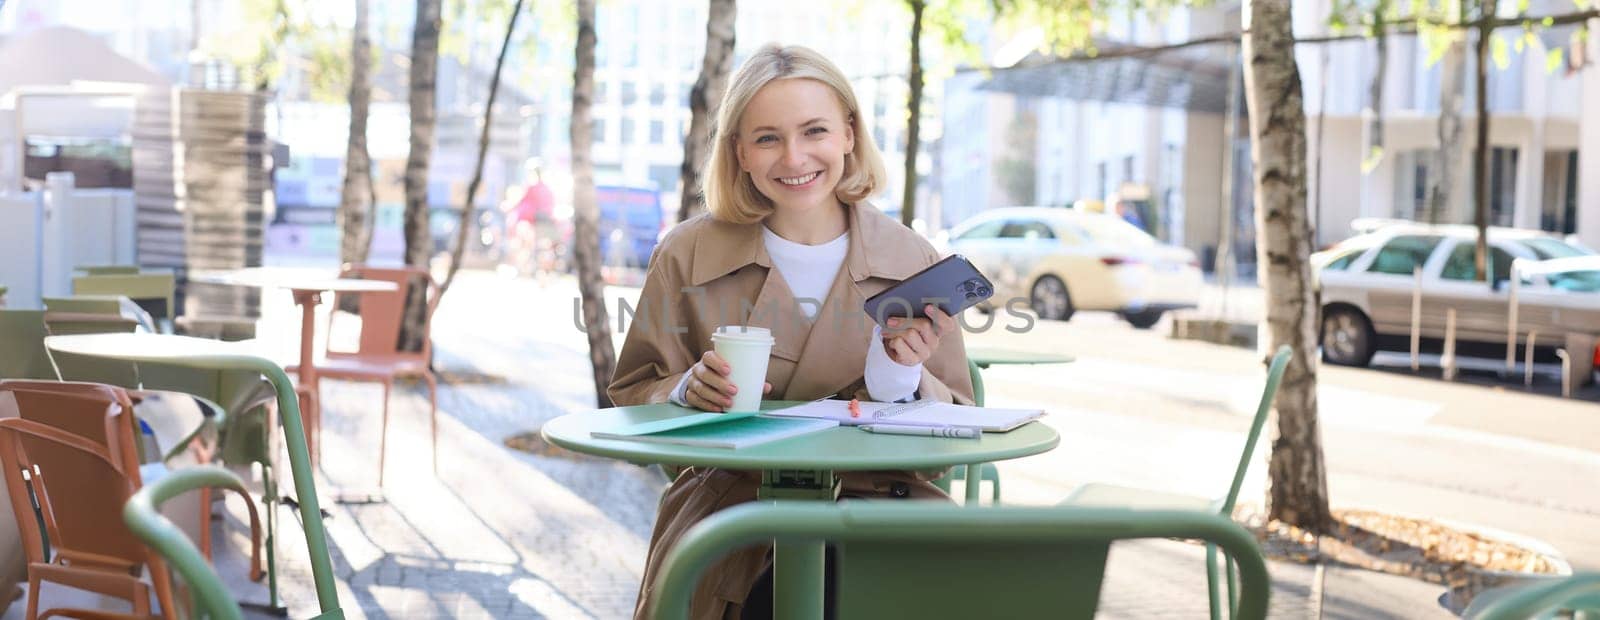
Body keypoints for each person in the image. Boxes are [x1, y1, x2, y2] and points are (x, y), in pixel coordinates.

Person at [607, 44, 975, 619]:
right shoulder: (686, 254)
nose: (794, 156)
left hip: (882, 515)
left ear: (850, 135)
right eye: (768, 138)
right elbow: (633, 391)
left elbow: (948, 443)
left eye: (815, 131)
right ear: (740, 153)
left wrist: (899, 378)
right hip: (732, 521)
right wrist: (684, 393)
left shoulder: (913, 258)